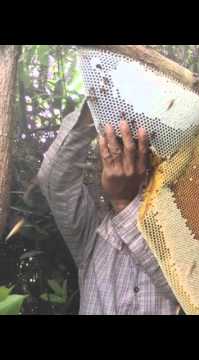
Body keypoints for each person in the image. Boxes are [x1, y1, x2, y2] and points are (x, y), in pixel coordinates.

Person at [37, 101, 180, 314]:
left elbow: (190, 293)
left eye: (135, 153)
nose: (123, 164)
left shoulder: (181, 232)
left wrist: (124, 202)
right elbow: (54, 181)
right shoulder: (92, 229)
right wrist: (95, 106)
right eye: (114, 153)